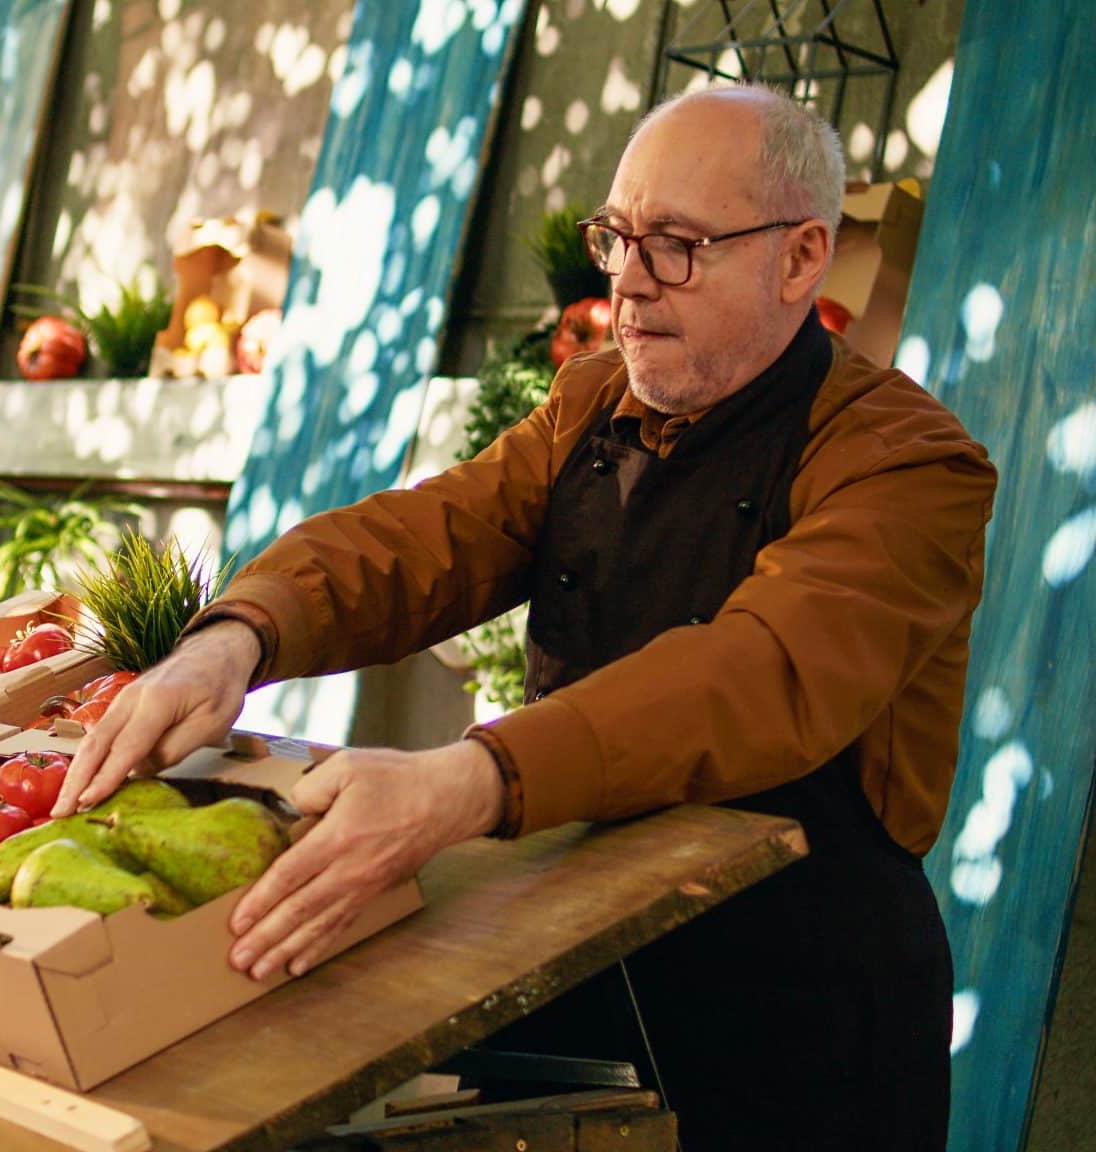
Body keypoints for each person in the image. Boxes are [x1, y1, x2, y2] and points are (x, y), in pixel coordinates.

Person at [57, 86, 994, 1149]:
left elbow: (760, 671)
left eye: (677, 245)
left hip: (798, 1006)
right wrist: (234, 638)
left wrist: (471, 779)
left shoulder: (906, 465)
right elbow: (425, 537)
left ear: (799, 258)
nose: (629, 284)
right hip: (579, 938)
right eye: (618, 237)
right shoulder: (592, 405)